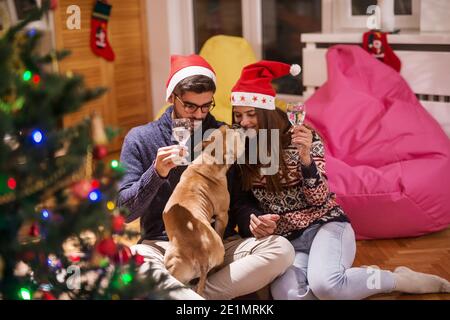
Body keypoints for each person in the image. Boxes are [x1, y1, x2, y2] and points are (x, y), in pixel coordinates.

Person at [230, 60, 450, 300]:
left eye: (251, 114)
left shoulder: (302, 137)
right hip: (287, 241)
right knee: (289, 297)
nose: (244, 122)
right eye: (238, 115)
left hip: (325, 226)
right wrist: (254, 220)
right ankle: (356, 280)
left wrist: (305, 159)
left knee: (327, 286)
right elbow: (242, 201)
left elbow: (320, 197)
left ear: (268, 112)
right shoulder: (241, 149)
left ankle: (398, 279)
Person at [117, 54, 294, 300]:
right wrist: (156, 174)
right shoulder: (141, 138)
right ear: (171, 98)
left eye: (206, 106)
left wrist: (252, 220)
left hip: (217, 246)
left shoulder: (226, 135)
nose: (199, 115)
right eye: (190, 106)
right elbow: (124, 212)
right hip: (164, 245)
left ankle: (190, 296)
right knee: (133, 265)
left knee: (282, 250)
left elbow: (240, 201)